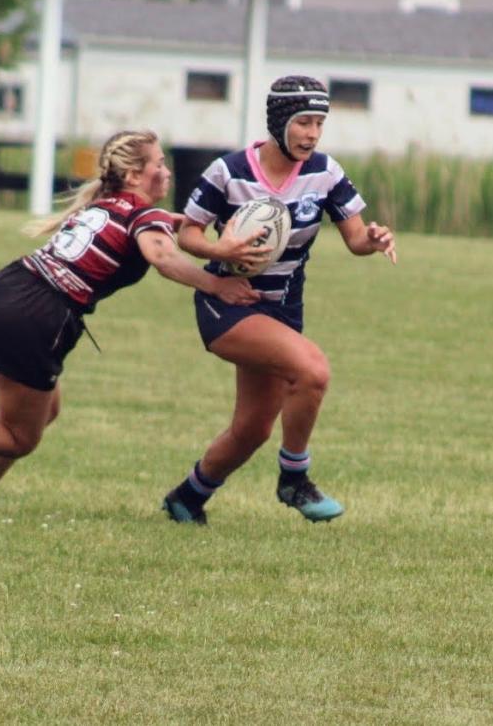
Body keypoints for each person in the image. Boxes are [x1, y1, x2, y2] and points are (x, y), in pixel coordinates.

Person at [0, 130, 265, 513]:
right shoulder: (144, 214)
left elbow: (152, 234)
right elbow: (162, 257)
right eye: (159, 163)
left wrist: (193, 231)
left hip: (12, 286)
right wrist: (216, 285)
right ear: (136, 174)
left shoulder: (107, 203)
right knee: (17, 437)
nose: (167, 171)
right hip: (40, 313)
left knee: (46, 409)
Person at [161, 75, 397, 526]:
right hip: (228, 302)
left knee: (252, 429)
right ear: (279, 120)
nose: (312, 133)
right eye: (303, 122)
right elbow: (188, 233)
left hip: (282, 310)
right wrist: (220, 251)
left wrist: (375, 238)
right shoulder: (229, 172)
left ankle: (186, 498)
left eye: (319, 124)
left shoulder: (325, 172)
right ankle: (294, 478)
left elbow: (355, 239)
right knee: (312, 371)